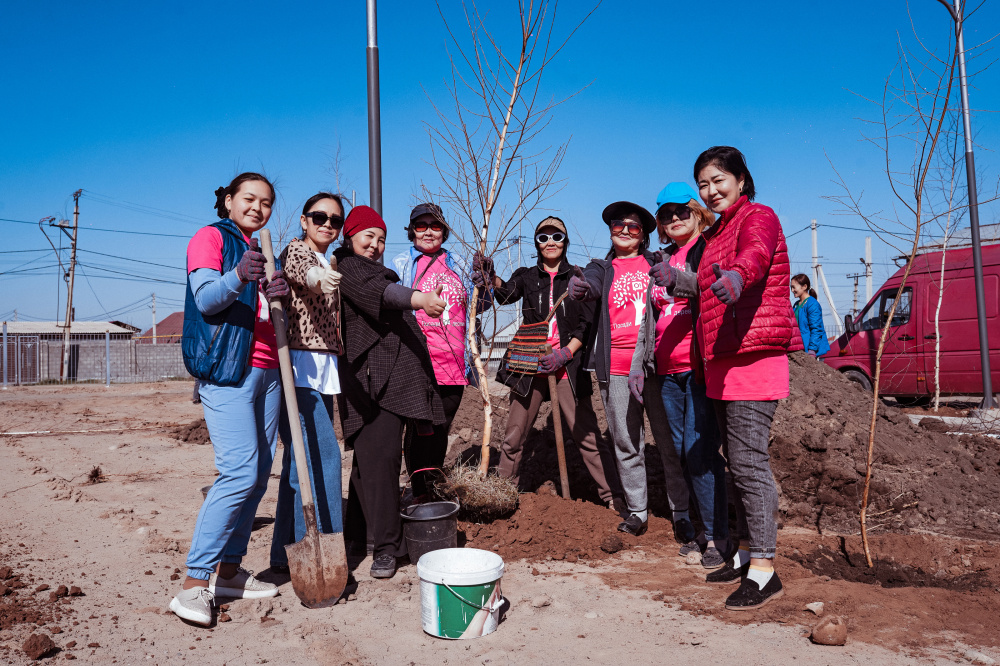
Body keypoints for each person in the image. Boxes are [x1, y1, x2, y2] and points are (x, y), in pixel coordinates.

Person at [173, 172, 290, 626]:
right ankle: (192, 583)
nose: (258, 208)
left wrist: (275, 293)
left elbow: (258, 313)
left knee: (259, 473)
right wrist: (241, 275)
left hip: (268, 371)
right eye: (248, 198)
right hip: (229, 373)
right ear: (227, 200)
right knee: (239, 471)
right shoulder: (211, 238)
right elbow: (205, 299)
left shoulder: (259, 250)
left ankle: (229, 572)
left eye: (266, 202)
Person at [693, 146, 802, 610]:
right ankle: (742, 552)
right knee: (734, 460)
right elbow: (707, 287)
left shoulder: (758, 215)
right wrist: (678, 282)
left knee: (749, 462)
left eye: (719, 180)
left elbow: (755, 256)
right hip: (722, 359)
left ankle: (764, 569)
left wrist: (739, 278)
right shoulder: (716, 231)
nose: (711, 190)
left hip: (753, 357)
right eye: (703, 183)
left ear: (740, 179)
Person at [334, 205, 448, 579]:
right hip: (371, 384)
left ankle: (357, 538)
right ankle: (387, 548)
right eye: (369, 236)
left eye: (381, 239)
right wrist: (421, 299)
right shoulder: (349, 268)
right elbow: (382, 294)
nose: (375, 245)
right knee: (380, 464)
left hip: (391, 382)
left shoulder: (370, 269)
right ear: (350, 236)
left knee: (368, 467)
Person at [474, 216, 616, 507]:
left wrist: (565, 353)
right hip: (529, 365)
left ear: (565, 242)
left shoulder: (577, 278)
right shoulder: (527, 276)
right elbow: (505, 293)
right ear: (537, 243)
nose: (550, 242)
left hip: (567, 368)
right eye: (543, 237)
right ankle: (501, 495)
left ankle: (615, 498)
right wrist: (492, 277)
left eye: (556, 237)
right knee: (514, 436)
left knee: (587, 437)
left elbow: (585, 326)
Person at [634, 182, 729, 569]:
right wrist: (641, 363)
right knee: (678, 452)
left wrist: (680, 281)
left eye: (681, 211)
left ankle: (717, 536)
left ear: (696, 212)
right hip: (665, 372)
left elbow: (710, 287)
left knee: (700, 451)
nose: (674, 219)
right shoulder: (662, 256)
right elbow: (648, 319)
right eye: (666, 214)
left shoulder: (708, 248)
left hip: (699, 368)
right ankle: (700, 531)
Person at [567, 202, 669, 536]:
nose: (624, 230)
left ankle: (680, 510)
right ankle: (638, 511)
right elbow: (591, 284)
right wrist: (582, 289)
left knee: (669, 443)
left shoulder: (659, 264)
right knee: (626, 443)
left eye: (633, 227)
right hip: (616, 368)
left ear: (644, 236)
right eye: (617, 224)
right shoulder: (601, 267)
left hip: (656, 366)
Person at [269, 192, 347, 573]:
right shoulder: (298, 252)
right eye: (320, 217)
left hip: (320, 371)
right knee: (323, 459)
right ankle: (322, 553)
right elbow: (303, 273)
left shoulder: (325, 257)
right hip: (299, 370)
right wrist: (319, 277)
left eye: (335, 220)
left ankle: (284, 553)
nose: (328, 225)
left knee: (296, 465)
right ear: (304, 220)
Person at [391, 203, 492, 499]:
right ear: (411, 231)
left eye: (435, 226)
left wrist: (484, 283)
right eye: (420, 226)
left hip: (453, 363)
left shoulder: (458, 263)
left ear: (444, 231)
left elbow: (480, 306)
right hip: (417, 361)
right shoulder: (400, 264)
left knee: (440, 428)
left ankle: (430, 486)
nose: (428, 231)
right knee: (420, 428)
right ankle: (420, 490)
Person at [791, 274, 831, 359]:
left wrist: (812, 350)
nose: (792, 290)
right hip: (799, 348)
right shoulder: (796, 305)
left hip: (809, 350)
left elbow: (816, 328)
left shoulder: (812, 304)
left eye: (794, 287)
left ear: (804, 286)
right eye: (791, 287)